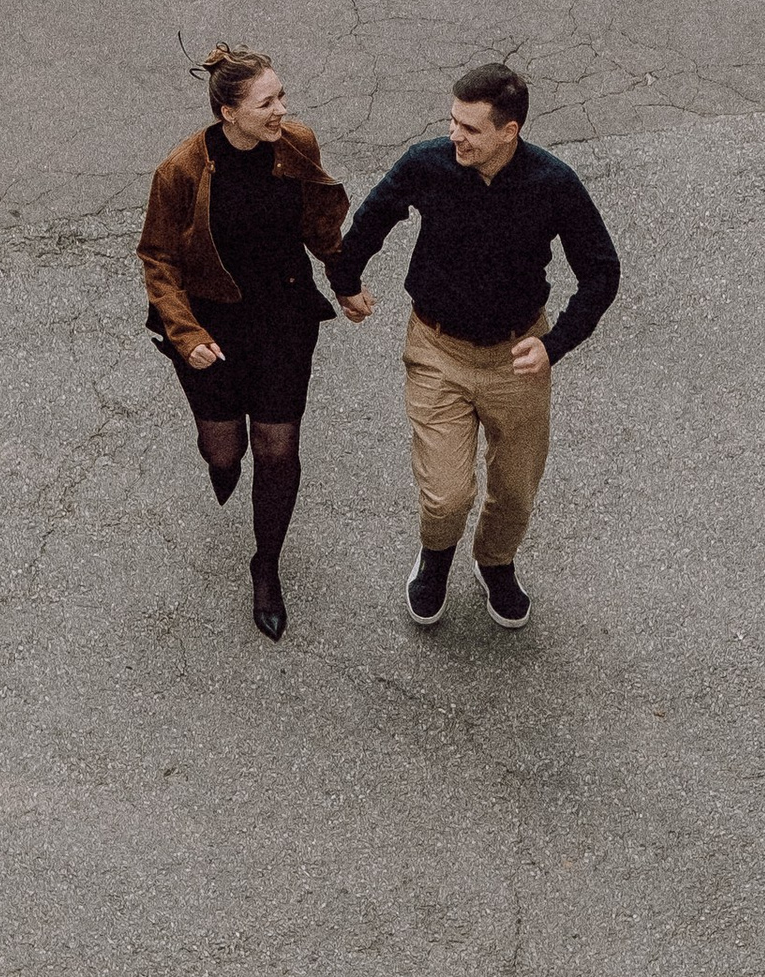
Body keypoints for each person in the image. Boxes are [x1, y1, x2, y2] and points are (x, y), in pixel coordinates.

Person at [329, 63, 619, 632]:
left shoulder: (552, 184)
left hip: (517, 356)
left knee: (514, 489)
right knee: (446, 496)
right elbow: (371, 219)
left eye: (471, 128)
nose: (455, 136)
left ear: (509, 132)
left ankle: (495, 562)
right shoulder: (428, 163)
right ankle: (434, 560)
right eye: (453, 121)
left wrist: (553, 345)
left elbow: (602, 272)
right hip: (438, 350)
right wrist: (346, 283)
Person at [139, 45, 351, 642]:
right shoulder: (181, 170)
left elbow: (318, 221)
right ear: (229, 112)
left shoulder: (295, 143)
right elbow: (157, 259)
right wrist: (186, 334)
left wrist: (346, 281)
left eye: (281, 96)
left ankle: (266, 566)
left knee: (278, 449)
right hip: (214, 330)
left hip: (284, 319)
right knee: (224, 452)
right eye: (267, 102)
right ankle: (222, 463)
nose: (282, 109)